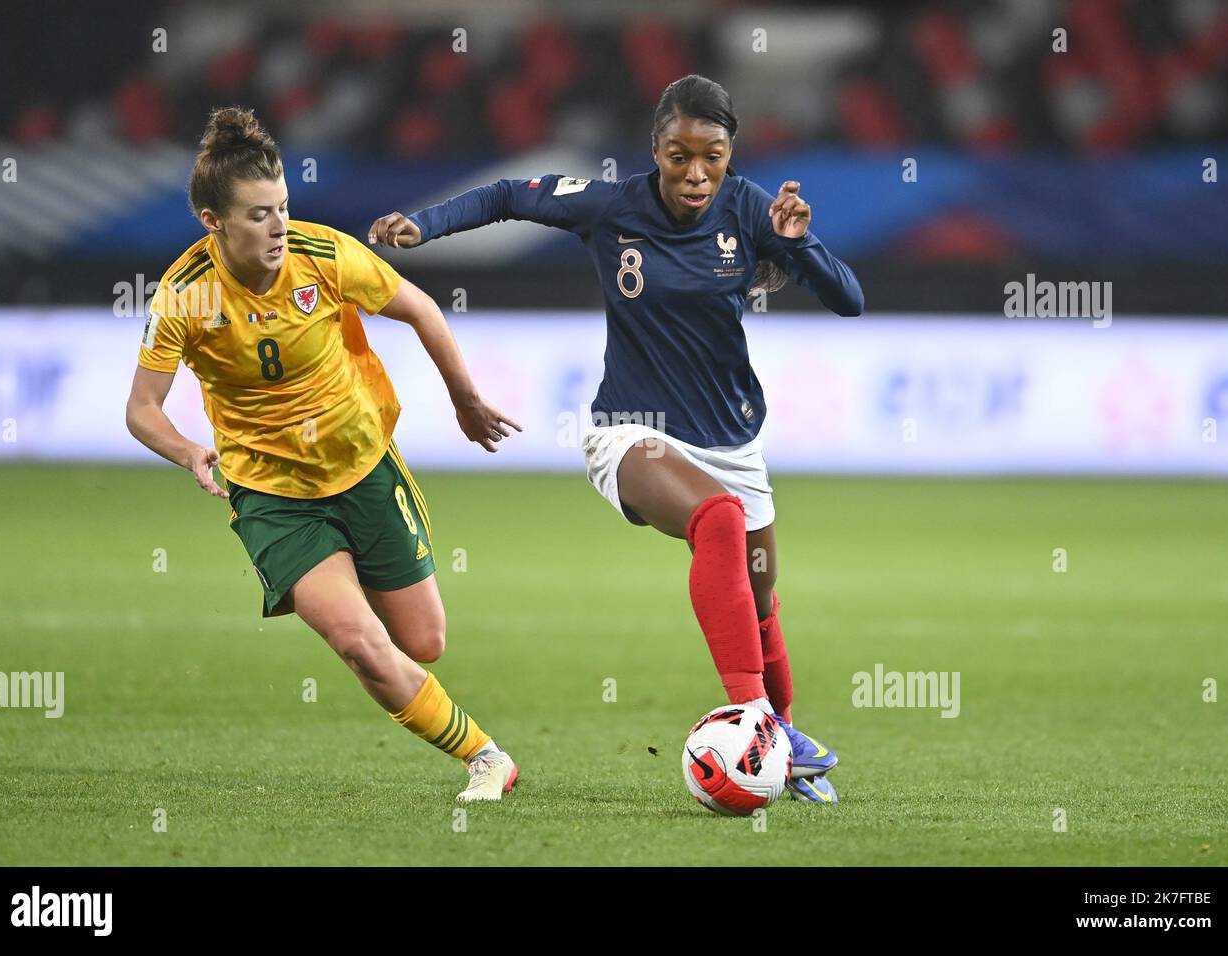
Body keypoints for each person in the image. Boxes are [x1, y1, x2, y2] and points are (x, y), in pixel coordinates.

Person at [368, 74, 863, 804]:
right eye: (678, 156)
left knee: (759, 608)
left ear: (732, 154)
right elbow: (509, 195)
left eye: (713, 156)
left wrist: (801, 244)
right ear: (654, 151)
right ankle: (755, 716)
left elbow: (848, 301)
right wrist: (424, 226)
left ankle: (781, 748)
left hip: (732, 440)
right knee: (716, 518)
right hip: (633, 432)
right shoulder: (612, 205)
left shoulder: (753, 209)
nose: (696, 174)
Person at [125, 107, 522, 801]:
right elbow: (141, 410)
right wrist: (188, 451)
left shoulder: (324, 254)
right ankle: (487, 758)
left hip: (362, 463)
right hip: (271, 494)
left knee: (423, 643)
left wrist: (465, 399)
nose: (278, 225)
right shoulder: (185, 296)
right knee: (361, 644)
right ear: (213, 222)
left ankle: (354, 592)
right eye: (257, 215)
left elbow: (422, 308)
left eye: (282, 207)